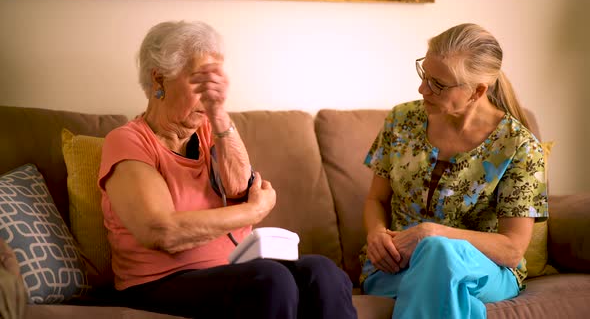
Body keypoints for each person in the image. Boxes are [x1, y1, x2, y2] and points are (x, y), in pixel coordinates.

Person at [98, 20, 357, 319]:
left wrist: (218, 113)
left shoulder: (210, 128)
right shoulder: (128, 141)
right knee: (270, 280)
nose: (212, 94)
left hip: (231, 271)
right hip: (155, 283)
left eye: (216, 82)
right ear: (159, 80)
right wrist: (252, 212)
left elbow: (237, 188)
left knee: (323, 272)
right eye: (201, 81)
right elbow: (162, 232)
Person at [360, 23, 548, 319]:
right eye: (425, 75)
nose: (423, 89)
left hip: (485, 272)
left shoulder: (520, 147)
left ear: (478, 91)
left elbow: (512, 250)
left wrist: (431, 234)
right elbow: (375, 200)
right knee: (449, 291)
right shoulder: (401, 120)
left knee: (438, 251)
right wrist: (375, 233)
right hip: (392, 267)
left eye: (438, 84)